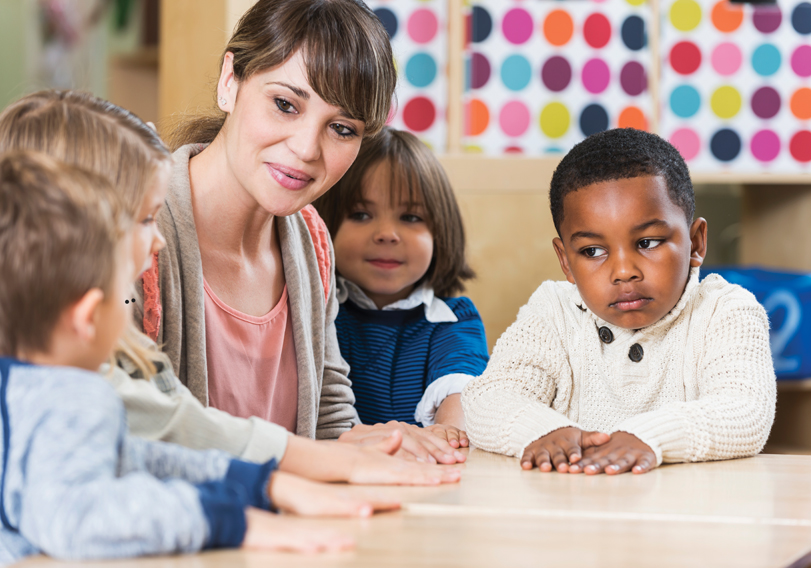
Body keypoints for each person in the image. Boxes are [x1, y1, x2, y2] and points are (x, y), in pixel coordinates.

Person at [0, 89, 463, 484]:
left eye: (342, 127)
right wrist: (274, 488)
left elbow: (166, 400)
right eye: (143, 219)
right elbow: (163, 423)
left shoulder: (112, 309)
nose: (157, 237)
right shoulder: (51, 372)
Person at [0, 151, 407, 563]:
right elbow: (78, 520)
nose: (134, 303)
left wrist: (254, 484)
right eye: (123, 295)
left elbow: (138, 459)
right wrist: (226, 520)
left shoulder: (27, 388)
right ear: (88, 318)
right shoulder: (73, 398)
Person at [140, 0, 464, 464]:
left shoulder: (311, 237)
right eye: (285, 104)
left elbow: (328, 414)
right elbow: (130, 422)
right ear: (230, 81)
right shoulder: (133, 229)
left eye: (341, 128)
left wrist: (372, 442)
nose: (306, 148)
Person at [461, 128, 777, 475]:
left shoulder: (725, 310)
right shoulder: (553, 311)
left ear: (696, 242)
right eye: (592, 251)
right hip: (573, 513)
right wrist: (544, 431)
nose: (624, 271)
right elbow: (487, 399)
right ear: (565, 260)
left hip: (685, 517)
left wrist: (648, 437)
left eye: (648, 242)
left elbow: (745, 410)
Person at [314, 127, 488, 443]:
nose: (387, 234)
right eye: (361, 214)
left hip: (428, 470)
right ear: (325, 224)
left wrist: (447, 435)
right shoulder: (317, 311)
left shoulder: (454, 319)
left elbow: (461, 391)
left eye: (409, 218)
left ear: (441, 232)